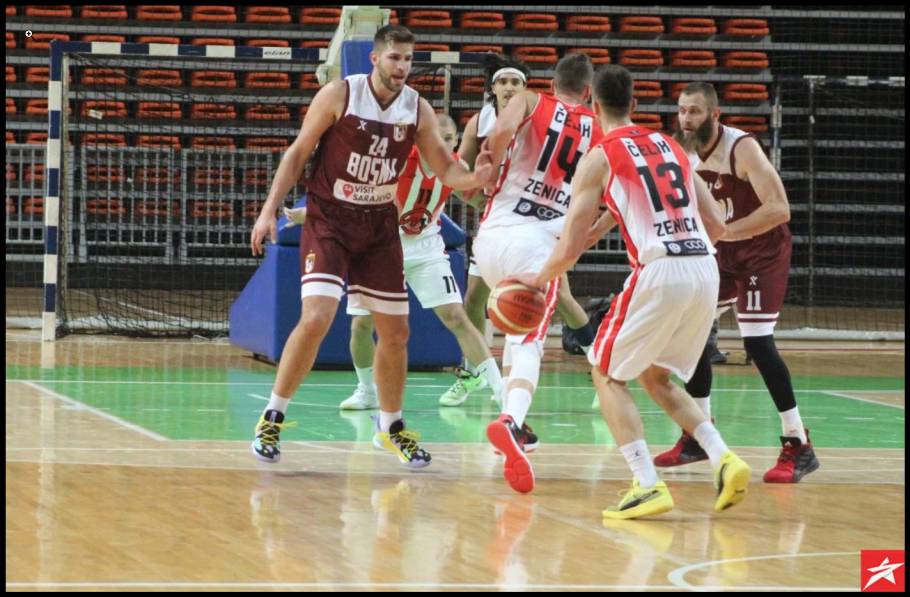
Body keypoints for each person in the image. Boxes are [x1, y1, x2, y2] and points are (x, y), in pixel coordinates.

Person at [248, 25, 493, 468]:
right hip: (330, 219)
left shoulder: (416, 108)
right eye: (395, 57)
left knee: (397, 333)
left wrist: (475, 177)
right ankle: (272, 417)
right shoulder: (340, 94)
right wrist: (269, 210)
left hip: (380, 225)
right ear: (375, 58)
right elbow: (299, 152)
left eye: (408, 59)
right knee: (317, 318)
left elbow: (445, 167)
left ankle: (391, 427)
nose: (402, 66)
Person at [517, 65, 750, 518]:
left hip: (661, 268)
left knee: (605, 373)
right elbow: (717, 224)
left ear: (592, 103)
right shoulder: (671, 144)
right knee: (655, 376)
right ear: (635, 104)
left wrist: (536, 280)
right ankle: (723, 456)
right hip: (704, 266)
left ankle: (646, 484)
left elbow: (569, 247)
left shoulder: (600, 156)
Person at [283, 114, 506, 412]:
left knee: (457, 317)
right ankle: (367, 391)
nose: (442, 145)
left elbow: (477, 200)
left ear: (455, 142)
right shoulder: (399, 161)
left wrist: (511, 209)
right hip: (381, 247)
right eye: (437, 138)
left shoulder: (457, 168)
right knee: (361, 324)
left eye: (449, 139)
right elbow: (356, 194)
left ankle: (502, 392)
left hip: (425, 247)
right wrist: (311, 212)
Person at [655, 82, 819, 484]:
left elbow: (779, 208)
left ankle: (798, 445)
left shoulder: (741, 148)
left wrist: (727, 232)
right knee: (691, 331)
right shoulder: (681, 150)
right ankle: (697, 435)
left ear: (715, 114)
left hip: (762, 251)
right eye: (682, 110)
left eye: (695, 111)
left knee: (757, 343)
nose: (686, 119)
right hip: (721, 253)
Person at [473, 54, 604, 493]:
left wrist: (487, 172)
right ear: (588, 91)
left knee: (514, 332)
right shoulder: (598, 128)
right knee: (529, 339)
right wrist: (588, 234)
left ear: (551, 83)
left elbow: (499, 133)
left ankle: (514, 420)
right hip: (534, 247)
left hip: (491, 237)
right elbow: (613, 197)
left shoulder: (530, 101)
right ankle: (511, 422)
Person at [450, 54, 597, 412]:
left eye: (515, 82)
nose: (509, 88)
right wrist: (478, 194)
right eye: (503, 82)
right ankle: (478, 375)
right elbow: (460, 175)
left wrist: (486, 174)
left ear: (533, 86)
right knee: (476, 300)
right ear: (493, 87)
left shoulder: (531, 106)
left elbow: (474, 168)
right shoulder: (480, 122)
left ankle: (597, 364)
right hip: (507, 223)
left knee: (559, 303)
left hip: (516, 228)